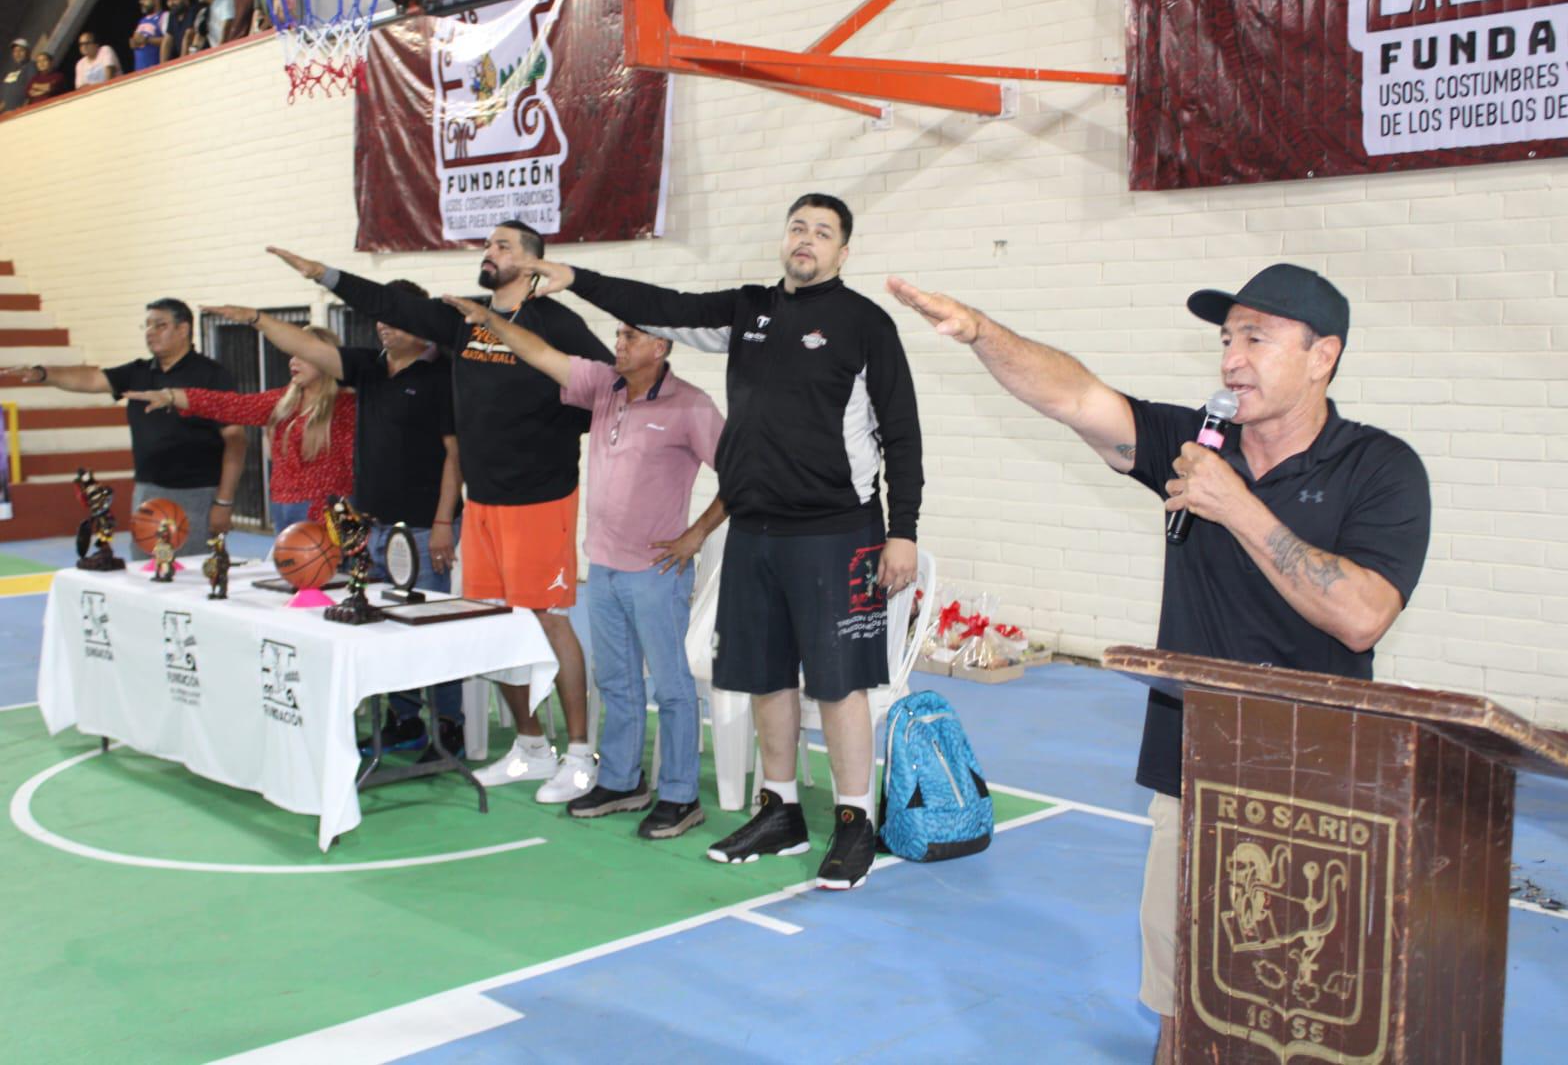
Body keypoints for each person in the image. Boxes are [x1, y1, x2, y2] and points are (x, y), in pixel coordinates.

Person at [888, 263, 1431, 1063]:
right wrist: (981, 333)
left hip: (1321, 780)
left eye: (1256, 338)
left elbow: (1359, 616)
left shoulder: (1378, 468)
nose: (1230, 360)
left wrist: (1234, 504)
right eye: (1225, 339)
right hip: (1195, 764)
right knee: (1182, 996)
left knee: (1302, 1004)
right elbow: (1073, 396)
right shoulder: (1195, 444)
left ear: (1322, 356)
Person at [525, 193, 923, 889]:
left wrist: (903, 532)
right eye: (797, 226)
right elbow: (664, 302)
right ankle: (781, 811)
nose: (806, 239)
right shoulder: (748, 312)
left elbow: (902, 433)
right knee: (765, 674)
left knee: (839, 684)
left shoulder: (866, 325)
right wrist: (579, 281)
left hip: (836, 530)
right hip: (756, 529)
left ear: (843, 252)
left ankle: (855, 822)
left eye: (822, 232)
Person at [266, 222, 614, 804]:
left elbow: (606, 386)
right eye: (488, 244)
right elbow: (390, 303)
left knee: (551, 620)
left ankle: (581, 753)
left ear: (532, 264)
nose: (489, 252)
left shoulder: (556, 321)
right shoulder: (464, 320)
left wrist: (555, 430)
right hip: (486, 500)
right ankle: (531, 746)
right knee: (495, 624)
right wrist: (322, 274)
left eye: (503, 245)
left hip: (540, 496)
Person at [444, 297, 727, 839]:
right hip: (604, 568)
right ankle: (622, 781)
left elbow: (741, 471)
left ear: (661, 346)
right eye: (617, 335)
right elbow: (545, 356)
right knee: (615, 680)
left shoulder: (691, 406)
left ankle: (680, 796)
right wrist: (493, 324)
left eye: (630, 337)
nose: (618, 344)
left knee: (669, 686)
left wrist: (695, 535)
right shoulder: (603, 388)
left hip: (657, 573)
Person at [205, 288, 467, 758]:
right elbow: (311, 349)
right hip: (373, 527)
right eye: (380, 318)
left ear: (422, 324)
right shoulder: (369, 370)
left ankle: (450, 725)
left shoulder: (441, 376)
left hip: (425, 527)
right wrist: (257, 319)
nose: (384, 326)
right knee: (381, 630)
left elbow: (454, 454)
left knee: (430, 629)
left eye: (396, 319)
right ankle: (404, 722)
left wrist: (444, 520)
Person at [0, 299, 245, 553]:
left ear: (183, 330)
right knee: (145, 569)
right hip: (147, 490)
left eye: (159, 325)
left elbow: (236, 441)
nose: (150, 332)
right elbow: (91, 379)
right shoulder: (137, 372)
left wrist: (223, 501)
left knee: (190, 577)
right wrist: (43, 374)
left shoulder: (213, 376)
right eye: (147, 326)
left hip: (198, 493)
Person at [123, 324, 355, 530]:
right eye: (292, 355)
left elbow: (358, 464)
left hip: (324, 510)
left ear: (326, 360)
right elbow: (232, 405)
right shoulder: (282, 401)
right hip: (282, 506)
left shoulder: (347, 407)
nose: (293, 361)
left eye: (302, 355)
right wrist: (172, 396)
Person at [131, 0, 170, 72]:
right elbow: (136, 41)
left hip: (157, 70)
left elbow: (169, 40)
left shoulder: (164, 16)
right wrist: (134, 42)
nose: (141, 2)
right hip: (139, 71)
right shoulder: (142, 21)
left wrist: (147, 40)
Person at [1, 39, 31, 113]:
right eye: (15, 51)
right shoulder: (10, 72)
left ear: (28, 52)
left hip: (20, 112)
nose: (17, 54)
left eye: (21, 51)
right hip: (5, 114)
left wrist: (24, 106)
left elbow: (32, 86)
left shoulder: (31, 66)